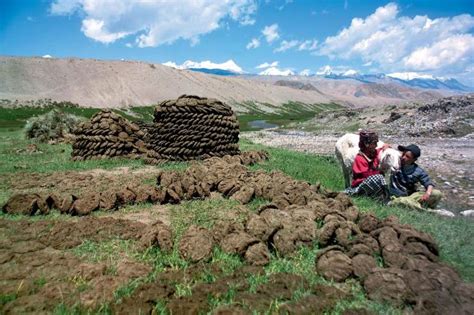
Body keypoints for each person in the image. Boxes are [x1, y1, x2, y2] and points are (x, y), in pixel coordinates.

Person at [389, 144, 443, 210]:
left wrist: (427, 193)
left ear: (414, 159)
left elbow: (428, 183)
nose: (403, 157)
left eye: (407, 156)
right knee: (402, 201)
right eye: (403, 154)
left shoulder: (418, 171)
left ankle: (414, 205)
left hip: (411, 196)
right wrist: (385, 145)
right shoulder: (395, 162)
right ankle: (425, 210)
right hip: (396, 197)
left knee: (437, 194)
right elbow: (388, 152)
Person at [345, 130, 389, 201]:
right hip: (360, 185)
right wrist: (379, 173)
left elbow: (379, 150)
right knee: (379, 177)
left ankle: (381, 195)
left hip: (370, 183)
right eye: (374, 143)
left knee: (379, 177)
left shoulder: (373, 153)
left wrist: (385, 146)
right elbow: (364, 175)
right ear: (366, 144)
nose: (376, 145)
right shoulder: (360, 158)